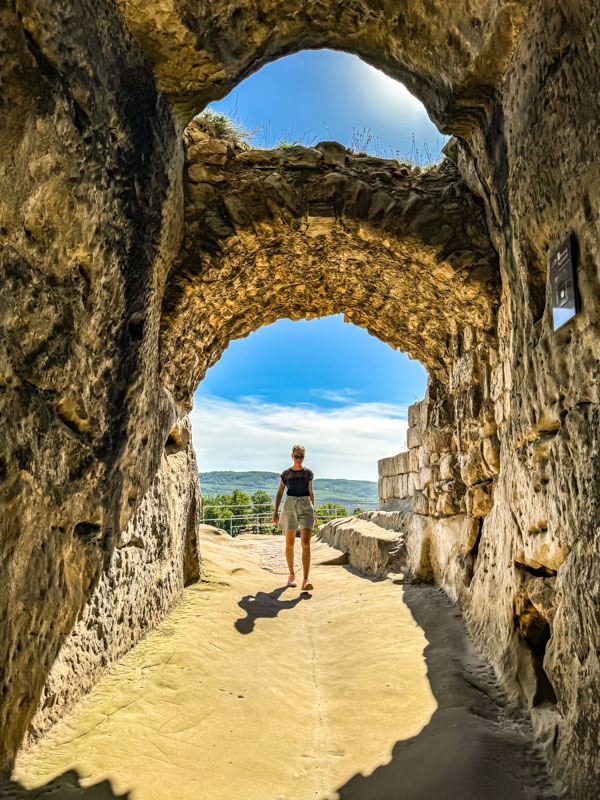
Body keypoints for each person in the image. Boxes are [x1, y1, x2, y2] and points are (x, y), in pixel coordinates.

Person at [272, 444, 317, 591]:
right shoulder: (286, 474)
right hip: (290, 505)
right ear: (292, 456)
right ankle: (291, 575)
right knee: (290, 543)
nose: (299, 459)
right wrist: (275, 512)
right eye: (296, 456)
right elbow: (280, 493)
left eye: (301, 456)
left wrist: (313, 511)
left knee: (305, 544)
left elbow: (310, 492)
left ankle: (306, 579)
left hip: (305, 505)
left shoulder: (308, 473)